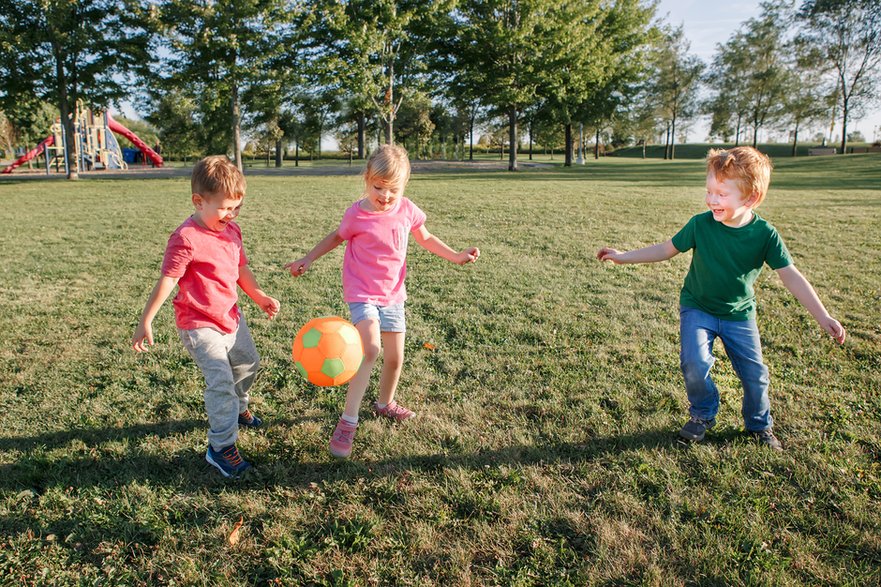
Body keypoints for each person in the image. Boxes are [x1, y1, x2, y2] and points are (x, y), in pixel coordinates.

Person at [597, 146, 845, 451]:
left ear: (750, 198)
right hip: (697, 308)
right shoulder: (700, 224)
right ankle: (702, 415)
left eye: (721, 194)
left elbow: (790, 275)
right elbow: (665, 249)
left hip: (739, 316)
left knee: (755, 375)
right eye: (709, 191)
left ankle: (759, 424)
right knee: (694, 363)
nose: (711, 199)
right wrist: (623, 257)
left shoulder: (765, 234)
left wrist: (824, 317)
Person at [286, 144, 480, 459]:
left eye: (393, 189)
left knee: (395, 359)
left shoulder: (407, 210)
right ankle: (348, 421)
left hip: (393, 295)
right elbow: (336, 238)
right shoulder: (357, 214)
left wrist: (457, 256)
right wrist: (308, 258)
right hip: (362, 292)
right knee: (371, 349)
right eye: (378, 187)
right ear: (367, 179)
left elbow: (426, 238)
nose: (385, 196)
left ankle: (385, 403)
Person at [132, 155, 280, 477]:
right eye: (226, 208)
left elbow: (241, 270)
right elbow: (168, 280)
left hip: (231, 317)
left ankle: (239, 409)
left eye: (237, 207)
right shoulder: (185, 239)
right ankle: (220, 446)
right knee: (221, 381)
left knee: (247, 364)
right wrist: (147, 319)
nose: (232, 215)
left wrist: (260, 297)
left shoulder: (232, 232)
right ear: (199, 202)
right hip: (199, 323)